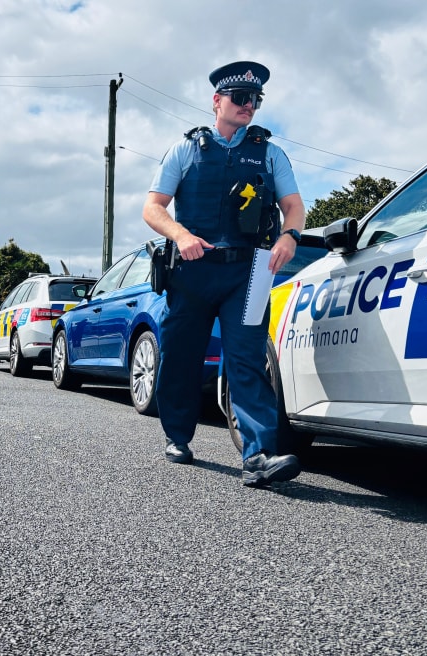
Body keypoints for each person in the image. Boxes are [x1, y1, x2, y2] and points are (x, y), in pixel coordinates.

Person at [142, 61, 307, 487]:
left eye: (255, 100)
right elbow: (153, 207)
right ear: (217, 101)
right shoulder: (185, 150)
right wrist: (180, 235)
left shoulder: (270, 153)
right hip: (193, 272)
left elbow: (293, 206)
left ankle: (258, 455)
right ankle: (177, 436)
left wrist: (289, 237)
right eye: (240, 98)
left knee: (247, 360)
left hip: (249, 274)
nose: (248, 105)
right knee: (181, 357)